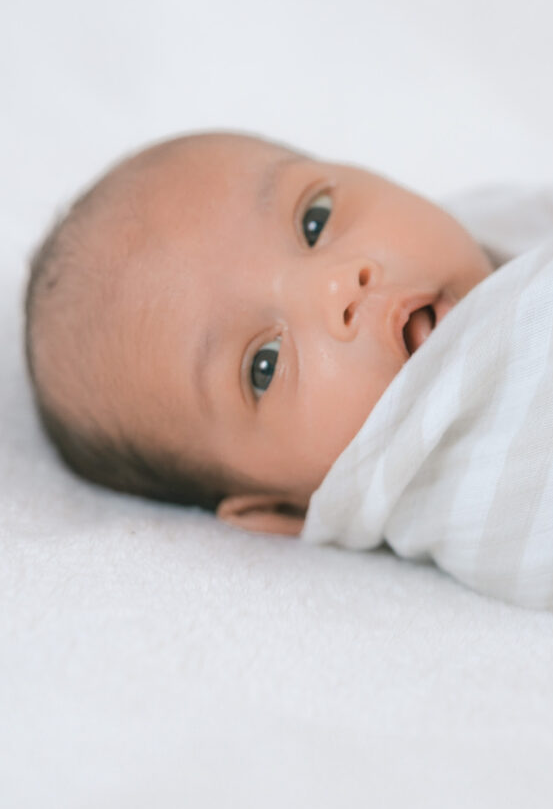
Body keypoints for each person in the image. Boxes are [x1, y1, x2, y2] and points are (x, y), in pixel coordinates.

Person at [24, 132, 497, 534]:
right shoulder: (502, 504)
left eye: (315, 221)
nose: (337, 289)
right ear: (285, 510)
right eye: (263, 366)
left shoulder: (514, 215)